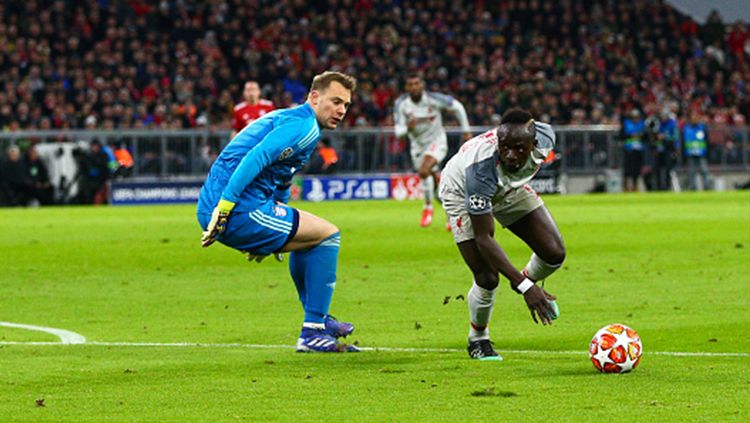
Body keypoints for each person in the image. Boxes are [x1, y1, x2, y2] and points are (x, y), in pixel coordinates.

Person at [198, 71, 359, 353]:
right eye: (335, 102)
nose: (341, 110)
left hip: (237, 203)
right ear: (314, 97)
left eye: (345, 105)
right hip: (237, 206)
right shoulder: (303, 127)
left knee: (309, 237)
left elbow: (283, 176)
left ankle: (318, 320)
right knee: (328, 235)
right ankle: (313, 330)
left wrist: (279, 212)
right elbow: (256, 156)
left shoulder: (297, 121)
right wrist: (224, 209)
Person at [438, 108, 565, 361]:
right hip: (462, 192)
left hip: (510, 189)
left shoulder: (547, 136)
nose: (510, 154)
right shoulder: (481, 169)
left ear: (534, 143)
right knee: (487, 277)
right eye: (504, 146)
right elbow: (485, 238)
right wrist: (528, 288)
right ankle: (478, 339)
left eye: (519, 148)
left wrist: (523, 282)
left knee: (554, 253)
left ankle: (521, 279)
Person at [394, 73, 472, 227]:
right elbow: (398, 132)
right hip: (417, 147)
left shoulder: (434, 99)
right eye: (411, 84)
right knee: (436, 187)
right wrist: (407, 130)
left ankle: (427, 207)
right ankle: (452, 213)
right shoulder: (401, 104)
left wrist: (466, 131)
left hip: (437, 142)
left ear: (422, 85)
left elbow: (458, 107)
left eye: (417, 83)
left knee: (423, 171)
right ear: (406, 87)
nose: (414, 87)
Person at [683, 111, 711, 190]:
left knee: (704, 170)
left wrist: (707, 152)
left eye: (695, 118)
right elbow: (683, 141)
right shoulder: (686, 128)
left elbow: (707, 140)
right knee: (692, 172)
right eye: (692, 118)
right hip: (691, 153)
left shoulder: (702, 127)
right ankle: (692, 187)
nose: (694, 119)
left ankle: (706, 187)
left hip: (701, 153)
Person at [621, 109, 646, 192]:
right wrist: (630, 135)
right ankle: (625, 186)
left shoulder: (642, 124)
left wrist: (640, 135)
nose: (635, 119)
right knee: (627, 169)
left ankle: (635, 186)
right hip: (629, 149)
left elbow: (645, 136)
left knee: (636, 169)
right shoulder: (626, 124)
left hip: (638, 150)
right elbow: (622, 135)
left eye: (637, 117)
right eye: (634, 117)